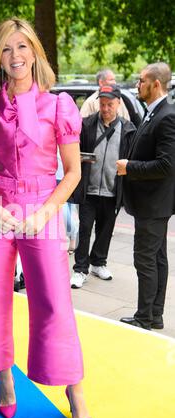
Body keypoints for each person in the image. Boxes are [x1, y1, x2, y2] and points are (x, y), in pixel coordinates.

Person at [0, 18, 92, 418]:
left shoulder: (60, 107)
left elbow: (71, 173)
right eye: (6, 49)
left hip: (44, 210)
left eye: (22, 47)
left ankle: (75, 391)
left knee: (55, 299)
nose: (15, 56)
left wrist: (44, 213)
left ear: (35, 51)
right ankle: (5, 383)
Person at [117, 62, 175, 330]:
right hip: (152, 204)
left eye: (141, 81)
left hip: (153, 204)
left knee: (146, 260)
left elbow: (167, 164)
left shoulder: (167, 116)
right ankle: (154, 314)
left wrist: (129, 167)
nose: (137, 85)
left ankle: (144, 317)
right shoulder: (155, 112)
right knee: (157, 259)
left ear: (156, 84)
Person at [70, 84, 136, 289]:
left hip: (113, 190)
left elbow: (131, 159)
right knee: (85, 229)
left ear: (118, 104)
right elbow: (73, 152)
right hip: (89, 189)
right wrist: (79, 157)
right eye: (102, 104)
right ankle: (80, 269)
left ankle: (99, 262)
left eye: (110, 104)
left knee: (106, 229)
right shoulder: (87, 125)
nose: (105, 108)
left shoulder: (128, 129)